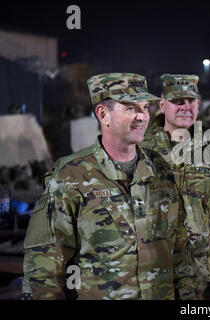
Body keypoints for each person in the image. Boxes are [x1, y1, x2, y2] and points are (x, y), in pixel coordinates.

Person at [22, 73, 196, 300]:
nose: (143, 116)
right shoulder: (69, 176)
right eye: (131, 108)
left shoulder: (160, 170)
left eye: (145, 107)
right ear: (103, 114)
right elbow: (42, 269)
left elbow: (180, 250)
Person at [140, 74, 210, 300]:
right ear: (162, 105)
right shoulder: (140, 149)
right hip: (151, 277)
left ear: (199, 105)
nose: (185, 107)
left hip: (202, 275)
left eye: (191, 101)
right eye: (178, 101)